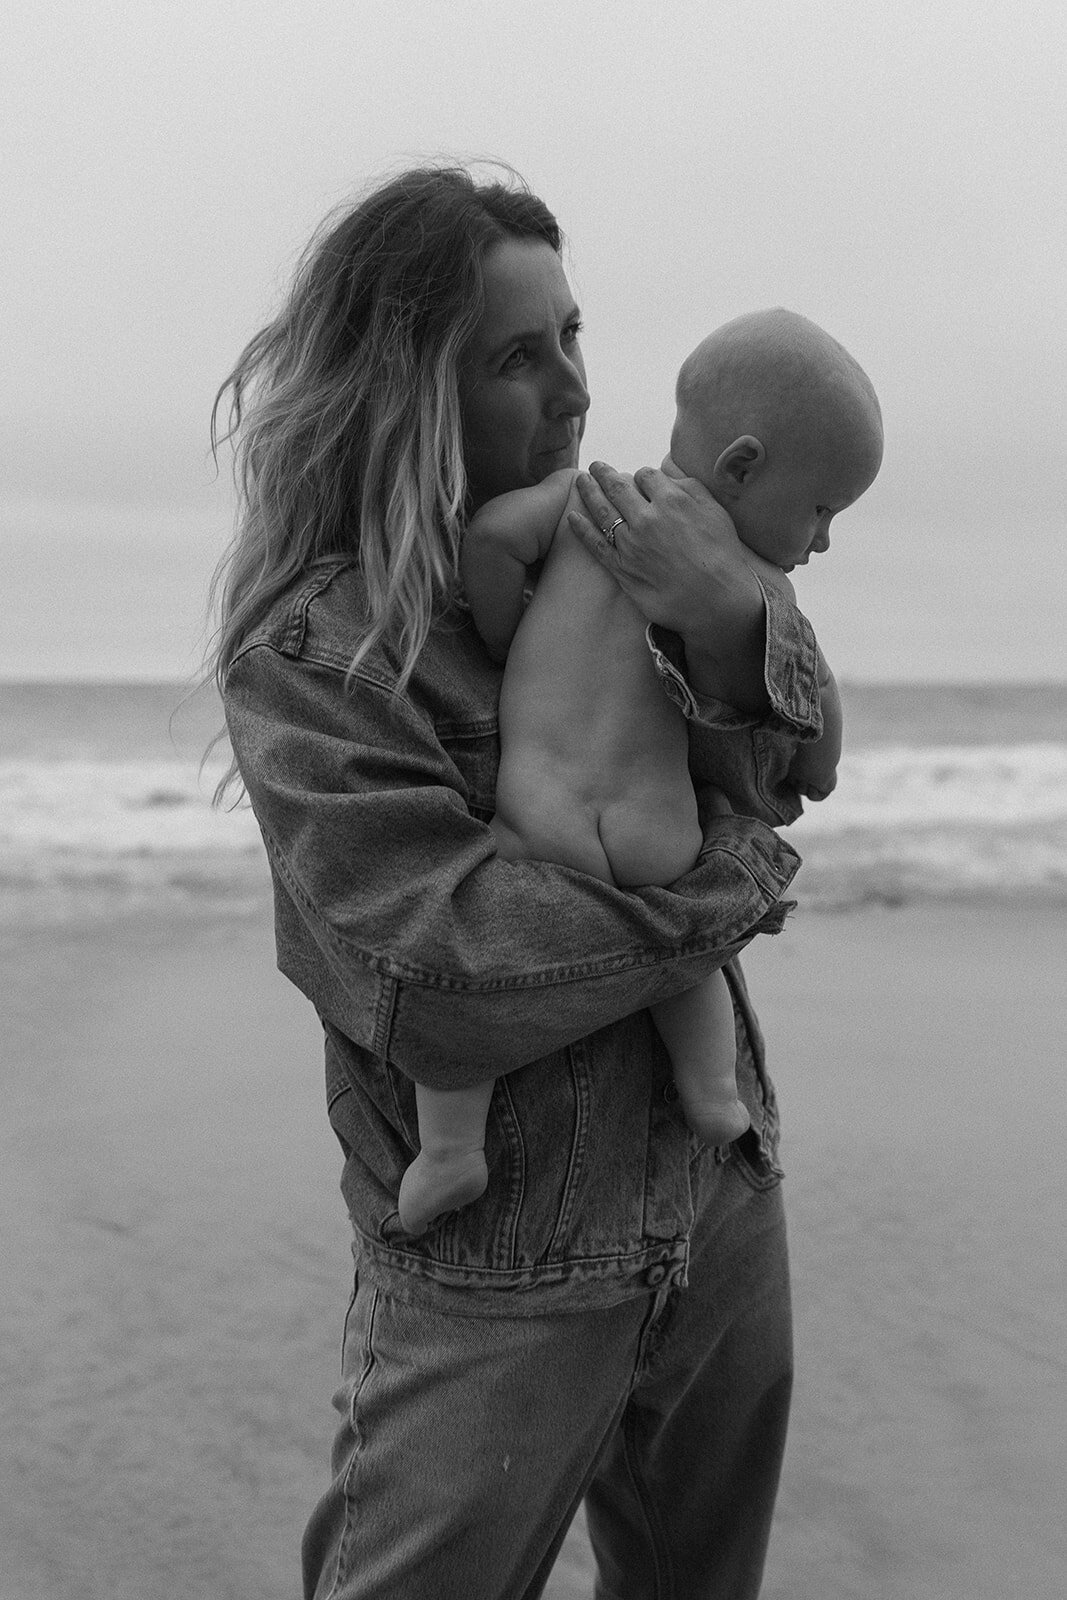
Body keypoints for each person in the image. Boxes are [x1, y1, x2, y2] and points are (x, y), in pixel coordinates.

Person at [211, 162, 827, 1599]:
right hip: (501, 1266)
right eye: (512, 355)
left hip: (715, 1185)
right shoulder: (320, 654)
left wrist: (736, 615)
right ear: (403, 392)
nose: (568, 388)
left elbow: (797, 759)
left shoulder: (648, 539)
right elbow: (438, 975)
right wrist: (723, 886)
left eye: (570, 337)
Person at [401, 308, 883, 1236]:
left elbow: (493, 535)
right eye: (820, 509)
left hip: (538, 821)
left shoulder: (587, 501)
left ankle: (451, 1152)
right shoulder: (752, 584)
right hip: (657, 831)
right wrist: (817, 754)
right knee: (685, 961)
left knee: (461, 1000)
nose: (820, 541)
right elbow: (813, 731)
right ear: (741, 468)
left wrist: (507, 640)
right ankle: (711, 1095)